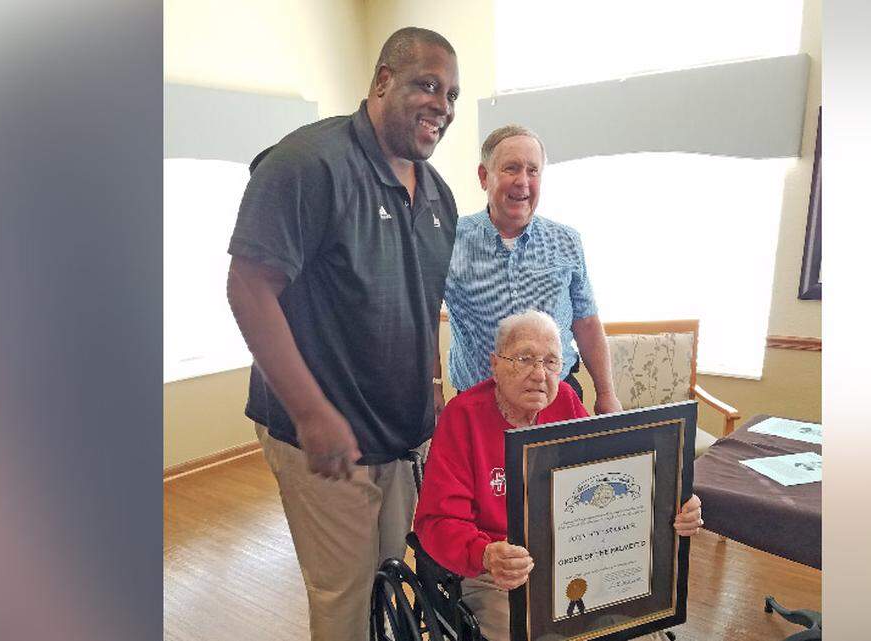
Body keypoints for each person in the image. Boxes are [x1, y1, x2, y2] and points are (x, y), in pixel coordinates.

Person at [225, 26, 460, 641]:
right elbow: (249, 288)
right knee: (344, 599)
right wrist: (311, 414)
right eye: (427, 84)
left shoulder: (437, 195)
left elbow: (418, 303)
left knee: (389, 579)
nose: (443, 105)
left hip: (400, 437)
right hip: (324, 442)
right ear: (382, 81)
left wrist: (432, 386)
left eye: (452, 94)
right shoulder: (309, 164)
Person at [414, 310, 703, 641]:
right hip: (499, 571)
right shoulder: (463, 417)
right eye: (525, 358)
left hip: (574, 557)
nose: (539, 374)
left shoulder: (565, 400)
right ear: (495, 364)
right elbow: (436, 522)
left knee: (637, 628)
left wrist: (675, 503)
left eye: (551, 362)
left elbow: (609, 480)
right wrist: (485, 553)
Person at [443, 124, 623, 415]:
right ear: (483, 176)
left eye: (532, 170)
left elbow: (587, 323)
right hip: (479, 408)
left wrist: (606, 394)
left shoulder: (567, 242)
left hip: (555, 401)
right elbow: (422, 320)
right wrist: (434, 388)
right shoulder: (447, 240)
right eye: (511, 168)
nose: (522, 181)